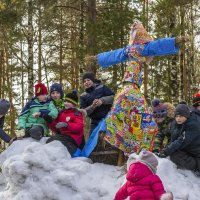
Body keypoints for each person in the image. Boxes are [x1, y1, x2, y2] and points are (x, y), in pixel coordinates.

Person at [158, 103, 200, 175]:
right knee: (174, 155)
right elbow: (173, 139)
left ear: (186, 115)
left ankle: (197, 166)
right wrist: (166, 149)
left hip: (196, 153)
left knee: (175, 155)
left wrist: (166, 152)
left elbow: (181, 140)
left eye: (181, 116)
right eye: (177, 116)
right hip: (187, 150)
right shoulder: (176, 123)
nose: (178, 118)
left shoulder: (194, 125)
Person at [46, 91, 84, 156]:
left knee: (58, 139)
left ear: (74, 104)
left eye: (68, 102)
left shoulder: (76, 113)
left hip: (73, 137)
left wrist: (67, 125)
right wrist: (50, 122)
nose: (66, 103)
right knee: (49, 140)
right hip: (63, 136)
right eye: (65, 101)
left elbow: (79, 126)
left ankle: (75, 151)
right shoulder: (61, 113)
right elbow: (56, 128)